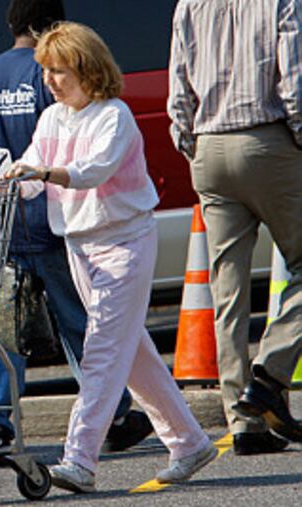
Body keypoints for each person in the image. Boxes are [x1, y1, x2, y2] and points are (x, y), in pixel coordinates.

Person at [0, 0, 153, 464]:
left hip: (2, 226)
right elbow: (74, 146)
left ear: (11, 24)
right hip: (57, 224)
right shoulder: (51, 75)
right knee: (84, 326)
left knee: (3, 327)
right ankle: (114, 414)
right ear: (53, 25)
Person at [7, 21, 216, 492]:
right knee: (132, 353)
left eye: (60, 71)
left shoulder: (114, 116)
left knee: (102, 351)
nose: (50, 81)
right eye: (46, 71)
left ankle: (79, 459)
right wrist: (10, 177)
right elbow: (33, 173)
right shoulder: (52, 119)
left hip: (124, 243)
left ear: (88, 70)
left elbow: (92, 170)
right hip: (80, 245)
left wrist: (42, 171)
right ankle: (189, 442)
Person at [168, 0, 302, 449]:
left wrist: (191, 144)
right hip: (267, 139)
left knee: (228, 289)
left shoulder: (190, 4)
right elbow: (295, 83)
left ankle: (242, 423)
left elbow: (178, 90)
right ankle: (268, 377)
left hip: (208, 148)